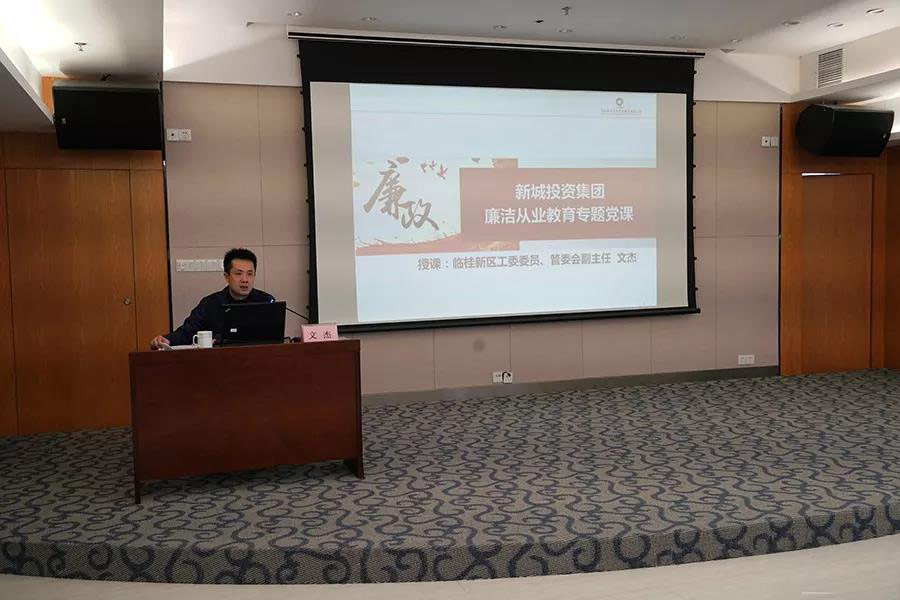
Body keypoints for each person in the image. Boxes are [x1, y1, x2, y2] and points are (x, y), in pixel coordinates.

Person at [150, 248, 275, 349]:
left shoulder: (266, 301)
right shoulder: (210, 303)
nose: (245, 280)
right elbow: (187, 332)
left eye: (250, 274)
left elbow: (275, 337)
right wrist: (167, 339)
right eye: (238, 274)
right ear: (226, 276)